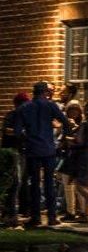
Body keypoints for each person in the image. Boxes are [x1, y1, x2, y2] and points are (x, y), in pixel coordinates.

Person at [17, 82, 69, 229]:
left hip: (33, 149)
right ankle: (52, 217)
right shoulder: (50, 106)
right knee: (49, 183)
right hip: (48, 149)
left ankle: (36, 217)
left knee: (34, 184)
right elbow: (65, 122)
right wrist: (61, 139)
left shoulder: (24, 108)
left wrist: (26, 138)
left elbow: (17, 131)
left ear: (33, 92)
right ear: (45, 92)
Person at [0, 92, 29, 229]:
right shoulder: (12, 115)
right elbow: (6, 130)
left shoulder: (25, 117)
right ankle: (10, 215)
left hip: (22, 152)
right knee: (14, 183)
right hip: (12, 152)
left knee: (19, 184)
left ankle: (11, 213)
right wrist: (20, 132)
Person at [57, 101, 83, 221]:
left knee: (80, 186)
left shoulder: (83, 124)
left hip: (78, 157)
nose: (74, 112)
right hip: (68, 155)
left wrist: (74, 129)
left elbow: (80, 141)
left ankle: (82, 211)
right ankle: (70, 211)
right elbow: (61, 140)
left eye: (76, 110)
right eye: (71, 110)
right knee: (68, 185)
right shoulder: (65, 123)